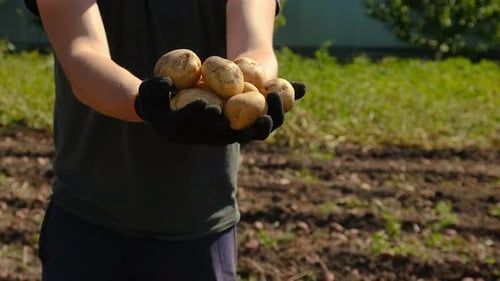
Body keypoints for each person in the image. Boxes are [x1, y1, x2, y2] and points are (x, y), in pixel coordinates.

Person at [24, 0, 305, 280]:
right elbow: (81, 52)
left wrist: (257, 93)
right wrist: (143, 103)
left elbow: (255, 50)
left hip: (202, 226)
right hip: (87, 224)